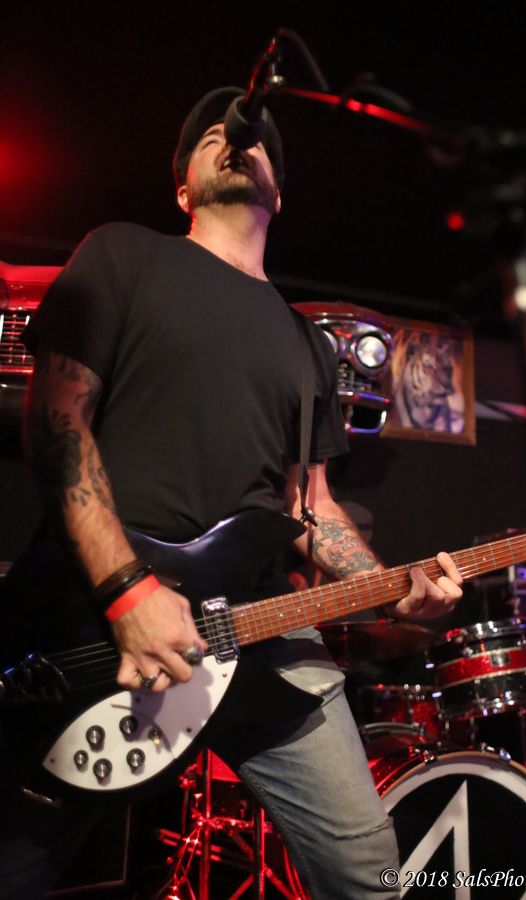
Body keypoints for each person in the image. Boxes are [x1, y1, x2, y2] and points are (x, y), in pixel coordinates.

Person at [0, 86, 463, 899]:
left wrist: (394, 589)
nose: (234, 138)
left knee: (369, 878)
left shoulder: (307, 345)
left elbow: (310, 508)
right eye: (210, 135)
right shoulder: (124, 254)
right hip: (99, 614)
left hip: (261, 630)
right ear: (182, 185)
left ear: (280, 191)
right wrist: (127, 590)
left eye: (253, 140)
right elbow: (57, 418)